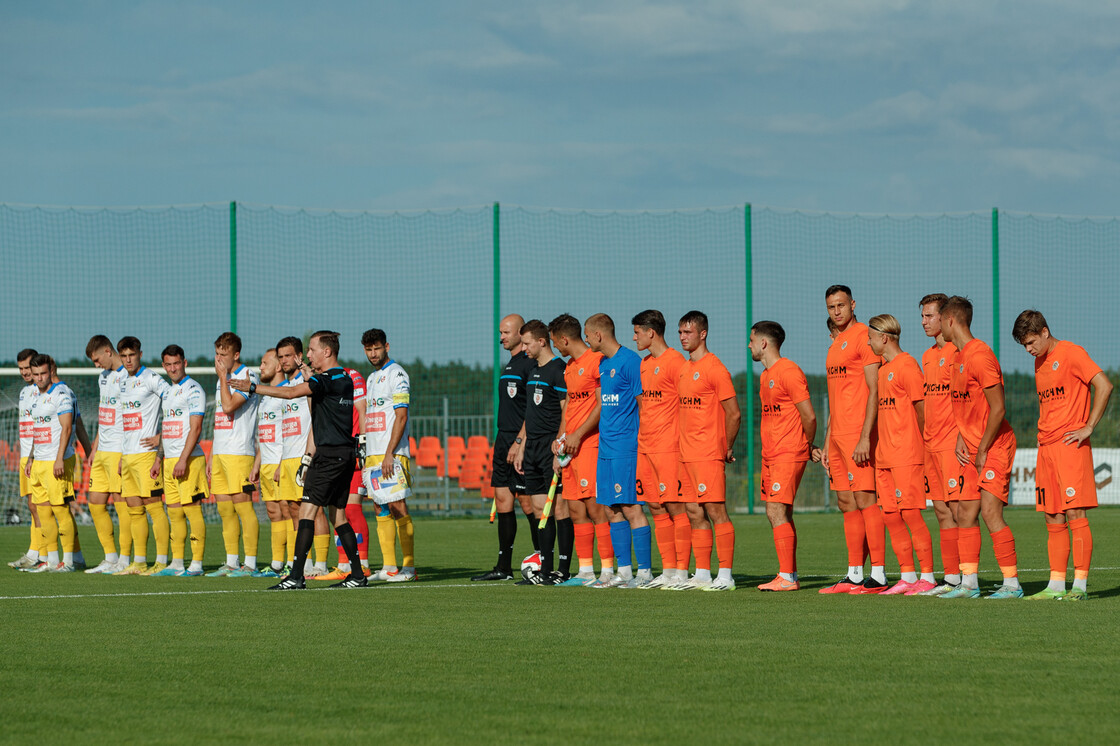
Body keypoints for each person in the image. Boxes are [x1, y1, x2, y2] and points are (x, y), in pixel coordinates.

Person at [231, 330, 366, 590]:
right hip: (344, 454)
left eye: (313, 350)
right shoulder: (344, 378)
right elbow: (317, 393)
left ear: (327, 352)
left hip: (328, 457)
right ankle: (358, 575)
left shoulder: (325, 380)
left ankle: (296, 576)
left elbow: (293, 393)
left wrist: (253, 387)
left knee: (305, 512)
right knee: (338, 517)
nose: (310, 354)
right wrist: (308, 371)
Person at [1013, 310, 1113, 601]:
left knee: (1074, 514)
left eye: (1031, 342)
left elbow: (1104, 385)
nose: (1029, 349)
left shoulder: (1071, 352)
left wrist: (1088, 427)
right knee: (1052, 516)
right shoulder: (1038, 363)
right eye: (1024, 345)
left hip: (1071, 446)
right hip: (1045, 448)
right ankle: (1055, 585)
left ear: (1045, 332)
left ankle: (1079, 588)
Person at [939, 296, 1021, 599]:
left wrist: (983, 448)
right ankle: (969, 584)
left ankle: (1012, 584)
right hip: (972, 447)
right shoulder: (956, 358)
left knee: (989, 512)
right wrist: (963, 436)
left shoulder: (980, 354)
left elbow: (998, 408)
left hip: (995, 445)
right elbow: (965, 406)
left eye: (940, 321)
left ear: (950, 321)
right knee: (965, 513)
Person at [814, 285, 886, 594]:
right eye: (832, 307)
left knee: (866, 500)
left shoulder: (864, 337)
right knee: (846, 502)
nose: (837, 311)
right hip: (838, 437)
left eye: (841, 305)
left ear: (853, 304)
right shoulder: (835, 345)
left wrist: (865, 437)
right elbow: (834, 398)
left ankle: (879, 575)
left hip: (859, 435)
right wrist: (828, 441)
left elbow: (875, 388)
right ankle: (855, 573)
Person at [866, 314, 936, 595]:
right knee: (891, 516)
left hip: (906, 454)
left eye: (870, 337)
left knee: (911, 515)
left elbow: (922, 411)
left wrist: (924, 446)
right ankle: (907, 576)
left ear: (884, 338)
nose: (868, 342)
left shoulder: (907, 366)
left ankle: (928, 577)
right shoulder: (883, 370)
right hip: (885, 456)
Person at [671, 310, 741, 591]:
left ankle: (725, 575)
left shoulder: (715, 368)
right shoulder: (684, 369)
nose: (683, 338)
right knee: (692, 511)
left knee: (715, 511)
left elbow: (734, 414)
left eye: (688, 332)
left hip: (708, 452)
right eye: (680, 332)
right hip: (685, 453)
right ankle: (701, 574)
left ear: (703, 334)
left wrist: (726, 447)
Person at [749, 321, 816, 592]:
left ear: (763, 343)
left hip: (788, 451)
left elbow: (809, 415)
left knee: (775, 509)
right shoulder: (766, 376)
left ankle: (787, 577)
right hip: (771, 453)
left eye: (751, 340)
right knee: (781, 511)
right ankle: (789, 574)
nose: (749, 345)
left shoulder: (788, 371)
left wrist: (807, 445)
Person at [584, 313, 649, 587]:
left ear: (598, 335)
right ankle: (624, 572)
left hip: (626, 447)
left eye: (587, 335)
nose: (586, 340)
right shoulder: (601, 363)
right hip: (605, 448)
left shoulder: (631, 361)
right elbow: (603, 405)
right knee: (611, 509)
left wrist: (643, 442)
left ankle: (645, 573)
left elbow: (643, 405)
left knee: (631, 506)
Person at [472, 313, 539, 581]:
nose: (501, 337)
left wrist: (520, 441)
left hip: (519, 441)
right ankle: (503, 567)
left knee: (527, 503)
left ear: (520, 334)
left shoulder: (529, 365)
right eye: (500, 333)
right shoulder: (510, 364)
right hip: (502, 440)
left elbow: (532, 409)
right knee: (503, 501)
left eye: (506, 333)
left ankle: (542, 559)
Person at [549, 313, 614, 586]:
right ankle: (585, 570)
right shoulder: (569, 367)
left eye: (555, 343)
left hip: (590, 445)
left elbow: (601, 404)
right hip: (571, 447)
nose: (556, 349)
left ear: (564, 339)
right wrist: (560, 439)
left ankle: (608, 570)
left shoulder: (596, 362)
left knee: (595, 508)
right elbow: (570, 408)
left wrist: (578, 434)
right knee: (575, 508)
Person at [632, 310, 691, 589]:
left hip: (669, 447)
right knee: (655, 506)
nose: (634, 338)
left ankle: (682, 571)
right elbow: (644, 405)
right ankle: (667, 571)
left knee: (675, 506)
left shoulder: (676, 361)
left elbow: (688, 404)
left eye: (637, 332)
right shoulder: (644, 364)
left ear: (650, 332)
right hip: (646, 446)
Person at [512, 320, 567, 585]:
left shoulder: (559, 370)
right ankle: (544, 568)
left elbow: (566, 410)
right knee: (537, 509)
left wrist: (559, 445)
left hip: (550, 447)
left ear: (542, 341)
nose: (524, 349)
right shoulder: (533, 370)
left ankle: (562, 570)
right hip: (531, 447)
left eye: (527, 343)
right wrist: (522, 444)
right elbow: (530, 413)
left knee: (557, 508)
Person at [916, 294, 965, 595]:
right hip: (930, 443)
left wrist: (962, 435)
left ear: (945, 318)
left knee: (960, 511)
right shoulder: (926, 356)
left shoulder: (958, 352)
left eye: (930, 316)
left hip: (952, 443)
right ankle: (952, 579)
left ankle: (968, 577)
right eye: (922, 316)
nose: (924, 322)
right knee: (941, 512)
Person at [359, 328, 416, 582]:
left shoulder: (397, 374)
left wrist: (389, 453)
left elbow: (401, 417)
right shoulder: (371, 379)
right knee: (380, 508)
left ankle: (409, 568)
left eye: (377, 348)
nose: (373, 354)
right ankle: (389, 567)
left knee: (397, 506)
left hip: (391, 454)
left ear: (387, 347)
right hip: (373, 455)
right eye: (369, 350)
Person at [113, 337, 171, 576]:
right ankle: (139, 562)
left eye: (132, 355)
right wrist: (122, 454)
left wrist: (162, 437)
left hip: (147, 455)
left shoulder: (152, 379)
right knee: (133, 509)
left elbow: (175, 402)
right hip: (128, 455)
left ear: (140, 354)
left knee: (154, 508)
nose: (128, 360)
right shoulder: (123, 381)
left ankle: (162, 561)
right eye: (124, 356)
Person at [206, 332, 261, 577]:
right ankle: (231, 562)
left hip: (240, 453)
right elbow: (220, 419)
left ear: (236, 355)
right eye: (216, 354)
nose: (219, 359)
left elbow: (229, 407)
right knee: (225, 510)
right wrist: (212, 454)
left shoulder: (248, 376)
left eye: (224, 355)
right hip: (221, 453)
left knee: (243, 508)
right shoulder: (223, 378)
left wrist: (222, 376)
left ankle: (250, 563)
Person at [151, 345, 208, 576]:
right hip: (169, 461)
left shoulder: (194, 390)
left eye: (177, 363)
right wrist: (159, 458)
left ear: (184, 363)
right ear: (164, 366)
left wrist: (183, 459)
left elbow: (196, 428)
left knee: (192, 510)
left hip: (189, 460)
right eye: (168, 364)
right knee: (173, 512)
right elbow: (166, 427)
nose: (173, 368)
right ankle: (176, 563)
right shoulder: (168, 392)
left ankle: (196, 564)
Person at [24, 354, 79, 572]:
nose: (39, 378)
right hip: (39, 462)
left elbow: (66, 428)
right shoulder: (36, 398)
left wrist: (59, 458)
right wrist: (31, 458)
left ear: (51, 371)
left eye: (43, 373)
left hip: (57, 461)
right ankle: (53, 561)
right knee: (43, 512)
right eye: (35, 374)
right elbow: (38, 432)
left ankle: (69, 562)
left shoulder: (61, 394)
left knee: (61, 510)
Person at [80, 336, 126, 573]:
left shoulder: (127, 377)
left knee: (121, 504)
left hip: (120, 449)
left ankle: (125, 560)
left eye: (97, 360)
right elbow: (104, 413)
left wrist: (125, 453)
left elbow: (132, 418)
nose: (96, 365)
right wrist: (95, 447)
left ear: (108, 351)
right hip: (103, 450)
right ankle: (110, 557)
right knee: (95, 503)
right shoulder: (103, 377)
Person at [268, 337, 313, 577]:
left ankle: (317, 563)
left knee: (310, 509)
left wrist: (309, 455)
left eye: (288, 356)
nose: (284, 361)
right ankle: (301, 564)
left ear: (299, 356)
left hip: (303, 456)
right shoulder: (285, 386)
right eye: (281, 357)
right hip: (287, 458)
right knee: (293, 510)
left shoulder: (306, 382)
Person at [249, 348, 288, 578]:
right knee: (273, 513)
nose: (261, 367)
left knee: (288, 511)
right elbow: (265, 434)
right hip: (266, 464)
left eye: (265, 363)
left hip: (281, 464)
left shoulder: (288, 393)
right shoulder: (266, 397)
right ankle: (276, 564)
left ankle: (296, 563)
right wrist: (257, 463)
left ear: (279, 367)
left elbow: (292, 433)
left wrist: (282, 464)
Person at [9, 349, 47, 570]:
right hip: (26, 456)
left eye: (27, 368)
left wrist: (33, 455)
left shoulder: (43, 391)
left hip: (39, 457)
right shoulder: (24, 392)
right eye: (21, 368)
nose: (24, 372)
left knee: (40, 506)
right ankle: (35, 552)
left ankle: (44, 554)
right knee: (32, 507)